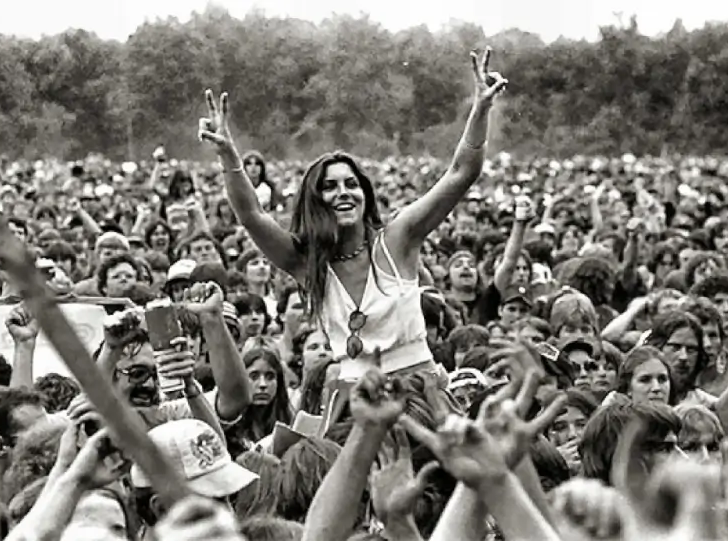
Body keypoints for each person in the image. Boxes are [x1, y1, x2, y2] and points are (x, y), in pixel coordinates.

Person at [198, 47, 507, 381]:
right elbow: (252, 215)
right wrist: (228, 154)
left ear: (365, 194)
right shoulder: (307, 262)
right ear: (315, 202)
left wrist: (481, 109)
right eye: (329, 187)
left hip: (421, 398)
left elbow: (461, 172)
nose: (343, 192)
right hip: (354, 405)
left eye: (351, 184)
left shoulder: (397, 239)